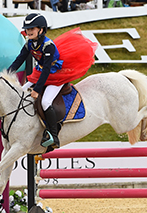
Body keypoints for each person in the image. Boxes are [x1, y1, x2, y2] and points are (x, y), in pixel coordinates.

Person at [7, 14, 97, 149]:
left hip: (56, 75)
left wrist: (37, 89)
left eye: (32, 28)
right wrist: (5, 74)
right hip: (41, 71)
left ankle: (53, 135)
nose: (28, 31)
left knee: (45, 101)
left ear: (41, 30)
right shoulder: (30, 43)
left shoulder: (48, 46)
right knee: (22, 93)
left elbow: (48, 69)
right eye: (27, 28)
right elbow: (19, 60)